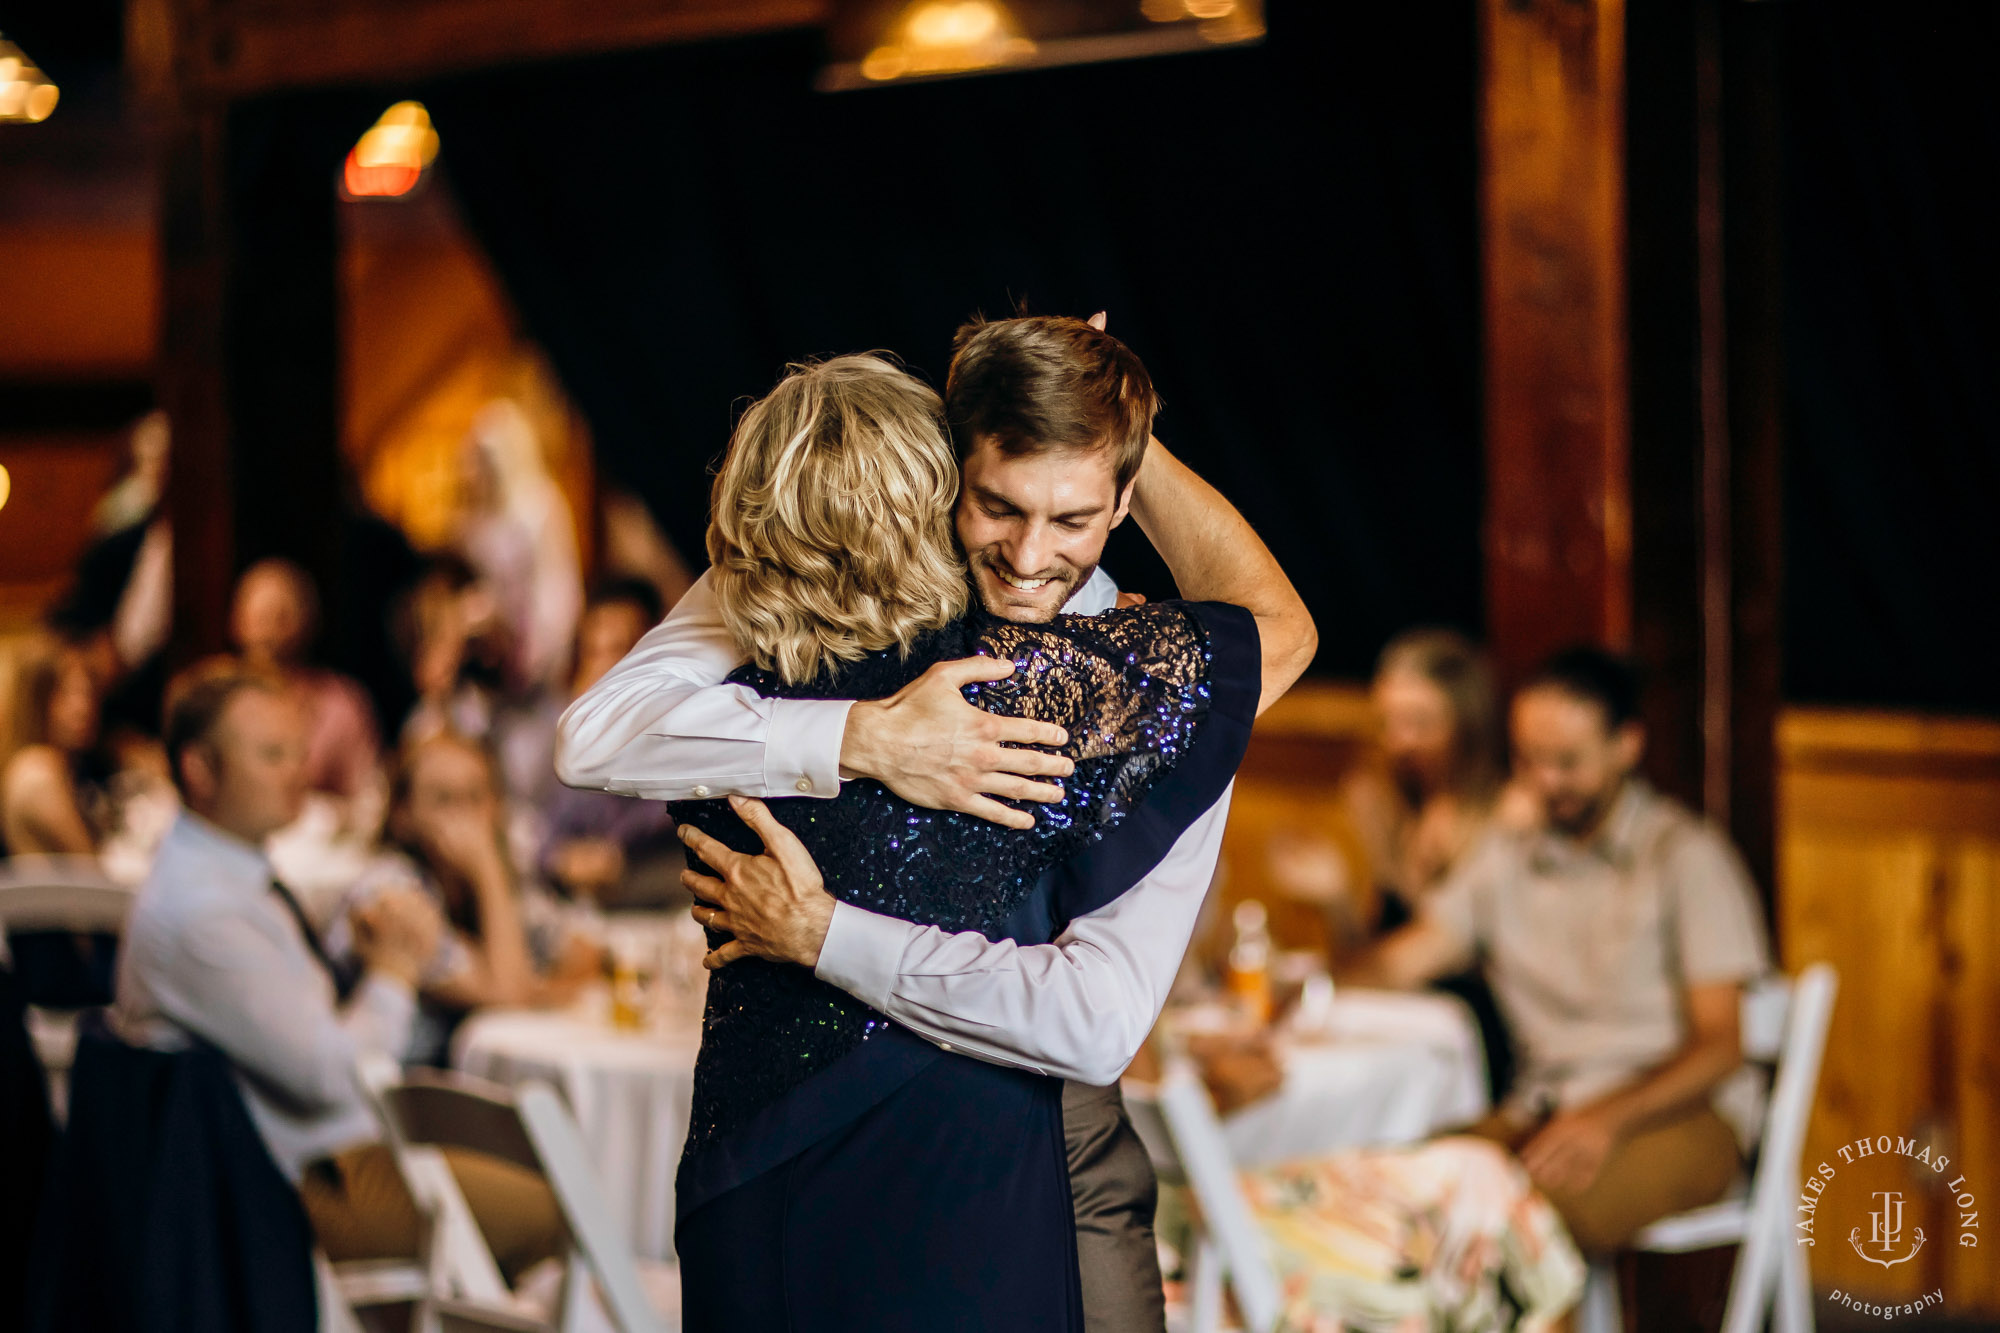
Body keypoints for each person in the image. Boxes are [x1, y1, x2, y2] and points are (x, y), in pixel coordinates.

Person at [560, 317, 1315, 1332]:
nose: (1029, 554)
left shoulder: (1137, 688)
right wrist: (862, 737)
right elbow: (595, 733)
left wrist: (824, 933)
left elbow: (1091, 1019)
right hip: (808, 1157)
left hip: (1046, 1141)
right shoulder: (815, 595)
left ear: (1122, 504)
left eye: (1072, 518)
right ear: (945, 474)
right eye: (996, 505)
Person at [112, 669, 566, 1280]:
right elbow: (336, 1080)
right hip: (297, 1180)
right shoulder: (205, 912)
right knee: (557, 1205)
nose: (300, 771)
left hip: (309, 1150)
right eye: (273, 755)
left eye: (298, 751)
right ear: (199, 769)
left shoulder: (229, 879)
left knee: (545, 1173)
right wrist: (393, 973)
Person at [1341, 647, 1771, 1254]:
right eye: (1528, 760)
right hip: (1543, 1108)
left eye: (1567, 762)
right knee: (1392, 1195)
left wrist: (1606, 1118)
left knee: (1514, 1226)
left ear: (1627, 745)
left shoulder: (1685, 856)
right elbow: (1407, 958)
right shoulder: (1507, 852)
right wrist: (1308, 986)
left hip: (1681, 1115)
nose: (1545, 782)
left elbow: (1721, 1045)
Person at [1266, 627, 1522, 1096]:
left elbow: (1420, 959)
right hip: (1409, 1030)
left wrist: (1302, 992)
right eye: (1389, 722)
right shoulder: (1388, 804)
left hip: (1483, 1047)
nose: (1401, 741)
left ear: (1469, 723)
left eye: (1421, 722)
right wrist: (1338, 896)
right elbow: (1373, 945)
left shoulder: (1509, 814)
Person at [328, 732, 605, 1065]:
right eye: (444, 800)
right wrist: (486, 868)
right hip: (397, 1098)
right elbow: (508, 995)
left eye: (476, 797)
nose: (466, 818)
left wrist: (532, 988)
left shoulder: (500, 881)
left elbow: (586, 951)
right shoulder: (391, 893)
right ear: (403, 816)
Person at [230, 558, 383, 806]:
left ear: (307, 622)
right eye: (258, 618)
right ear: (237, 622)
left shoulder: (341, 704)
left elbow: (366, 798)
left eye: (280, 617)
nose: (267, 633)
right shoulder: (218, 702)